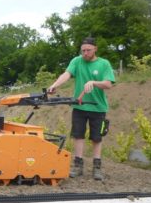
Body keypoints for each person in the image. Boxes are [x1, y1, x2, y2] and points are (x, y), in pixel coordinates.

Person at [48, 37, 115, 180]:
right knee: (78, 135)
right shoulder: (76, 61)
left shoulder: (104, 64)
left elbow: (109, 84)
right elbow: (66, 74)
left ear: (95, 49)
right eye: (83, 50)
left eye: (88, 50)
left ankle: (97, 168)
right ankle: (78, 166)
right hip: (79, 106)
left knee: (97, 138)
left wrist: (94, 82)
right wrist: (54, 85)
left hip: (98, 107)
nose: (85, 53)